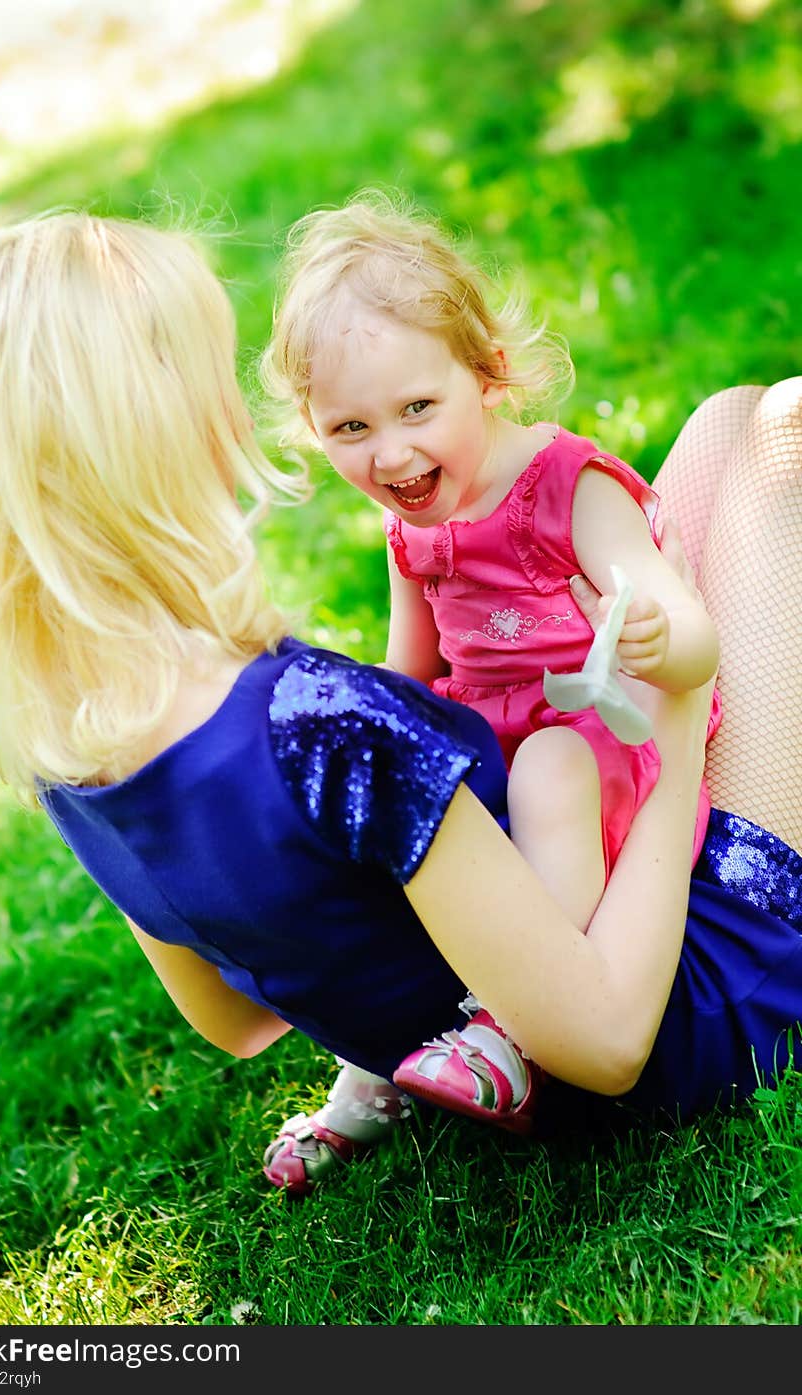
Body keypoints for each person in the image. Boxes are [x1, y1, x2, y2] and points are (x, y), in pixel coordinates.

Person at [0, 212, 799, 1207]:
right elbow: (605, 1044)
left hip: (507, 985)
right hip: (673, 988)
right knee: (784, 430)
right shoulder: (323, 726)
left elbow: (237, 1022)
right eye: (218, 373)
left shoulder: (64, 744)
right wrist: (677, 735)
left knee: (726, 420)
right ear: (164, 429)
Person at [261, 194, 723, 1134]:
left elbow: (693, 631)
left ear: (489, 374)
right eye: (350, 429)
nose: (392, 453)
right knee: (396, 809)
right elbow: (410, 675)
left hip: (595, 744)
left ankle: (513, 1027)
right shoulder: (410, 524)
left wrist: (657, 642)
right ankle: (367, 1071)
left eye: (417, 409)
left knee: (549, 765)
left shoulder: (568, 485)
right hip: (491, 744)